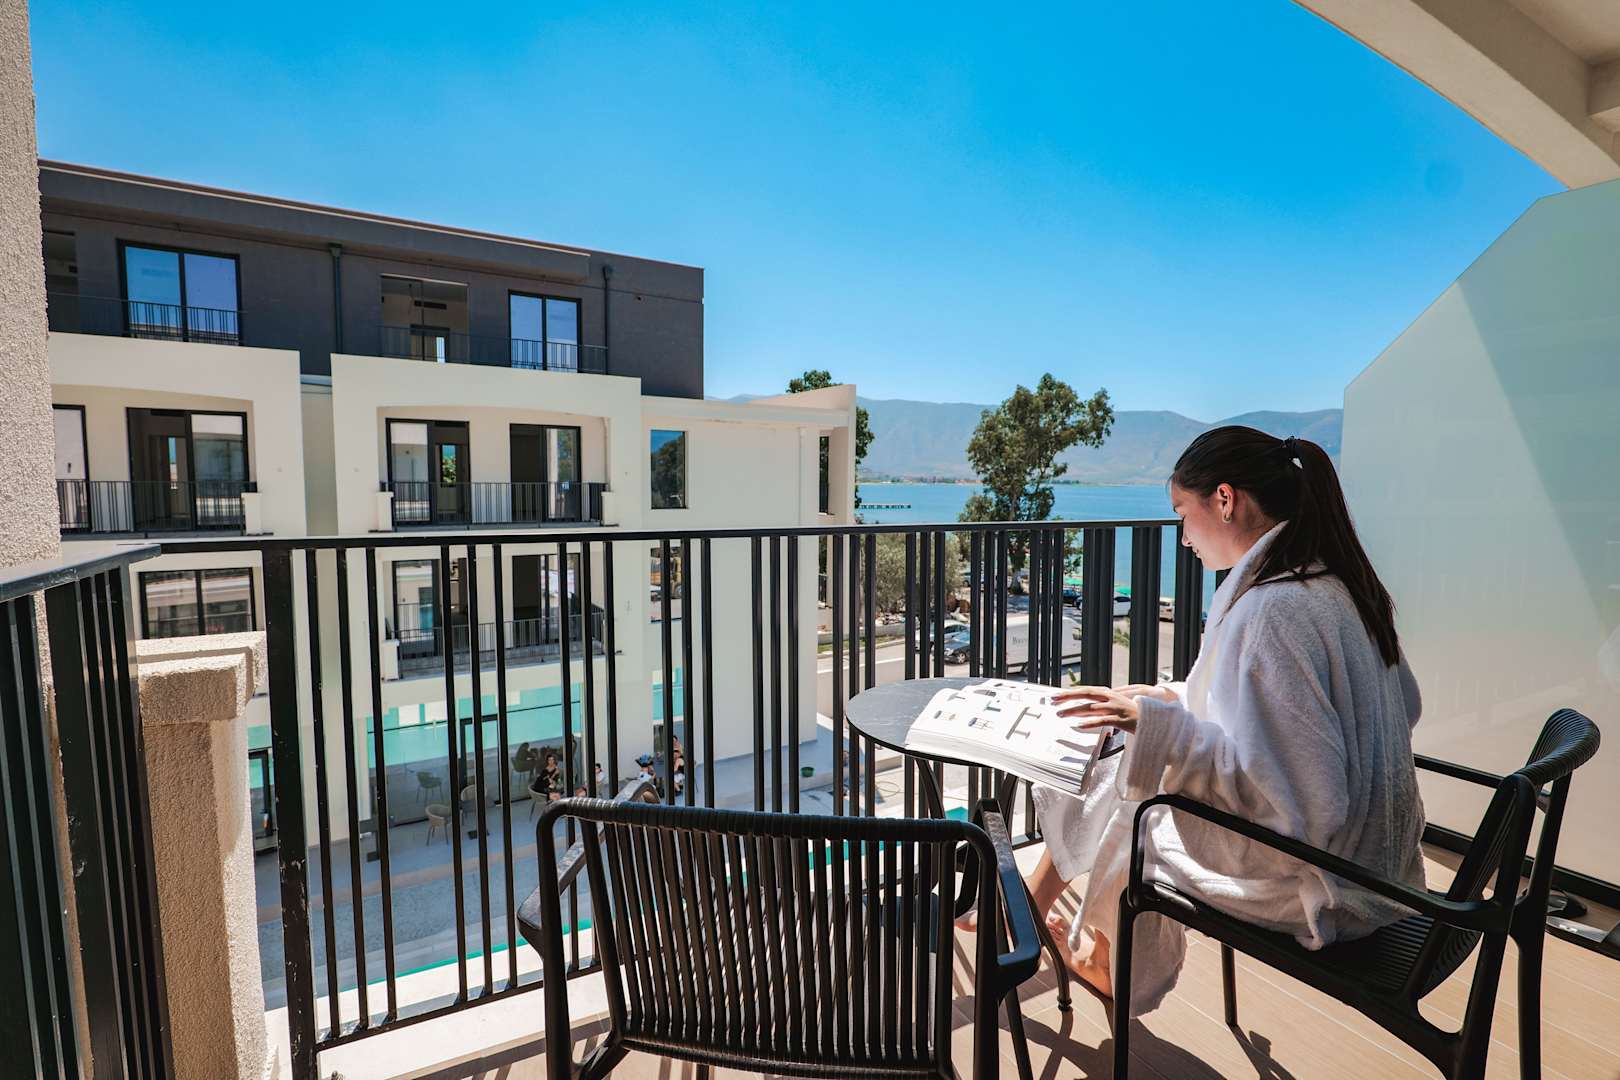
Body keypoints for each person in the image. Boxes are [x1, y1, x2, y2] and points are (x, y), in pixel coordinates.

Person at [968, 427, 1426, 1018]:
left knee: (1129, 799)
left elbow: (1301, 798)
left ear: (1226, 500)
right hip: (1380, 857)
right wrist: (1165, 699)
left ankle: (1105, 965)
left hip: (1324, 883)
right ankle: (1038, 911)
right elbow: (1391, 708)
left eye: (1183, 514)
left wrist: (1158, 726)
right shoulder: (1334, 584)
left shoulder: (1275, 609)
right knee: (1122, 761)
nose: (1182, 537)